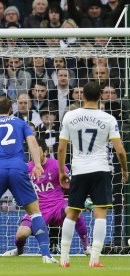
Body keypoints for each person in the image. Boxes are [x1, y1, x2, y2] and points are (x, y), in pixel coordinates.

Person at [0, 96, 56, 264]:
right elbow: (32, 143)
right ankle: (46, 255)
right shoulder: (20, 123)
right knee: (35, 212)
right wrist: (37, 164)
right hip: (18, 168)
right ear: (10, 110)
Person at [58, 82, 128, 267]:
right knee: (100, 214)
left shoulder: (70, 116)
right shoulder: (108, 119)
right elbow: (120, 150)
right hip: (100, 169)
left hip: (79, 169)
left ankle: (64, 258)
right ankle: (95, 259)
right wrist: (125, 169)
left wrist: (61, 171)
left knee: (72, 213)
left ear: (83, 96)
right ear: (100, 97)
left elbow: (61, 148)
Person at [2, 138, 89, 257]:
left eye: (38, 153)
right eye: (33, 153)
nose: (35, 156)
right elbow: (19, 188)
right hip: (36, 209)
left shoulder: (57, 165)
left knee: (75, 211)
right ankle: (19, 250)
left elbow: (70, 185)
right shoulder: (25, 169)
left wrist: (81, 198)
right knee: (21, 234)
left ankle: (86, 247)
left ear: (46, 152)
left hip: (58, 206)